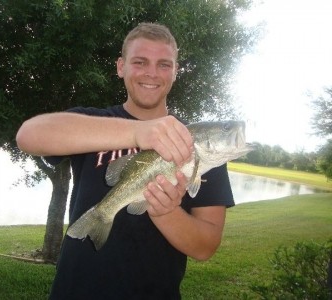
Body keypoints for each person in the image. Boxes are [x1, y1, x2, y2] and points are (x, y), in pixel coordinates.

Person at [16, 22, 234, 300]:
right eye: (140, 62)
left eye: (164, 64)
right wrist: (137, 131)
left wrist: (166, 211)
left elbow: (205, 247)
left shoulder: (199, 146)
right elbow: (28, 135)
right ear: (121, 67)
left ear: (175, 71)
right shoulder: (95, 123)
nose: (151, 73)